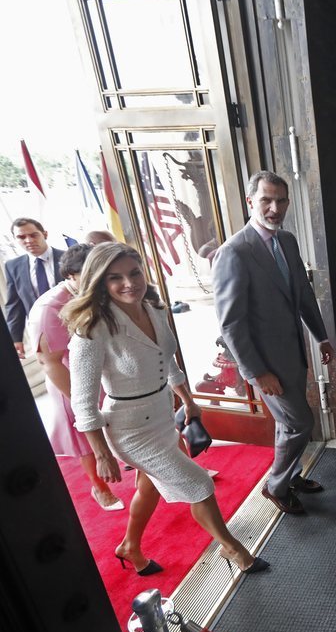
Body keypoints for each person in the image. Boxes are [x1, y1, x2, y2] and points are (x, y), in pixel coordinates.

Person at [64, 243, 266, 574]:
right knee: (199, 483)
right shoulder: (91, 329)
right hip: (129, 430)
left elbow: (167, 359)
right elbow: (83, 404)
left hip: (160, 415)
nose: (129, 283)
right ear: (99, 282)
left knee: (149, 486)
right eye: (115, 278)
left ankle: (130, 546)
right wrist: (101, 455)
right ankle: (233, 549)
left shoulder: (153, 309)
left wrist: (188, 400)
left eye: (134, 273)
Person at [212, 171, 335, 515]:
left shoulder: (288, 241)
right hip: (265, 364)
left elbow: (304, 296)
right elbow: (231, 323)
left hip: (293, 353)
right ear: (251, 201)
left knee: (288, 423)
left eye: (280, 200)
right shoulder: (234, 252)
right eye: (266, 200)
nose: (274, 207)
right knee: (300, 423)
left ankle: (292, 476)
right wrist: (256, 373)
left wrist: (321, 336)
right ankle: (276, 485)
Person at [27, 243, 123, 511]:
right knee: (84, 438)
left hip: (102, 370)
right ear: (70, 275)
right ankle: (99, 487)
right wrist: (83, 401)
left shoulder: (98, 291)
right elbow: (50, 362)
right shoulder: (49, 308)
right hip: (68, 380)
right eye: (90, 273)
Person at [4, 218, 64, 359]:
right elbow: (14, 305)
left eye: (33, 235)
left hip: (75, 328)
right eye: (21, 237)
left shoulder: (68, 257)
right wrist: (15, 338)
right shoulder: (13, 266)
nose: (28, 240)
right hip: (41, 333)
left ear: (45, 234)